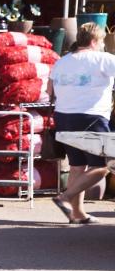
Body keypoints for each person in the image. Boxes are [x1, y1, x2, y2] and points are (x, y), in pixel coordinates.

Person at [48, 22, 115, 224]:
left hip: (63, 116)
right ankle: (65, 197)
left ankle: (77, 214)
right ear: (95, 41)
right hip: (92, 117)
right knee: (104, 166)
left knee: (77, 166)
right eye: (102, 41)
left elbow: (49, 91)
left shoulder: (62, 61)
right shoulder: (104, 59)